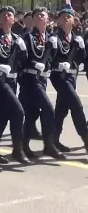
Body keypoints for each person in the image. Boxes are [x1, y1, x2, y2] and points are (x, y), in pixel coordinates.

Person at [19, 7, 64, 160]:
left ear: (47, 19)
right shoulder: (28, 37)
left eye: (42, 15)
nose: (40, 17)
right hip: (30, 79)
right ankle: (49, 145)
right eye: (37, 15)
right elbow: (21, 59)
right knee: (48, 110)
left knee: (31, 113)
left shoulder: (50, 38)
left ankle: (24, 146)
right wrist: (33, 64)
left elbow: (52, 60)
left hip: (43, 79)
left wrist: (54, 49)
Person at [0, 6, 31, 164]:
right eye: (3, 14)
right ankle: (18, 150)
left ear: (14, 19)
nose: (7, 16)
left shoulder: (16, 38)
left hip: (12, 81)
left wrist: (23, 50)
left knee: (3, 116)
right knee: (18, 112)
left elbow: (22, 62)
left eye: (10, 14)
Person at [50, 8, 88, 152]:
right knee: (76, 105)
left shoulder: (77, 38)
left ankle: (53, 140)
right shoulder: (54, 38)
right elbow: (47, 59)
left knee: (62, 108)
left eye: (69, 17)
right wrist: (57, 64)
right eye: (63, 17)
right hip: (59, 76)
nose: (66, 19)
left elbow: (82, 60)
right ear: (58, 21)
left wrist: (83, 48)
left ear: (74, 21)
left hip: (72, 76)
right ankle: (86, 139)